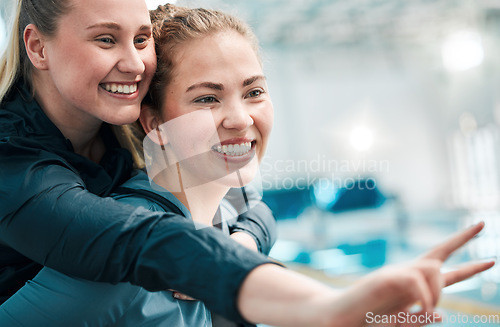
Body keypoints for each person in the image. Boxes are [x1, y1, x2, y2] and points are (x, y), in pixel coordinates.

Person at [1, 4, 495, 327]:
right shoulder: (112, 250)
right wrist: (326, 309)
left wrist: (362, 316)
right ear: (154, 122)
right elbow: (142, 245)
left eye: (255, 91)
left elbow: (253, 205)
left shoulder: (184, 183)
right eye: (207, 98)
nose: (239, 119)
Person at [0, 0, 278, 324]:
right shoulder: (14, 158)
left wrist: (243, 240)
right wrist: (205, 261)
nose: (135, 64)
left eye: (141, 39)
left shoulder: (116, 125)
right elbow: (118, 239)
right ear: (37, 47)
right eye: (106, 39)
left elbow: (250, 204)